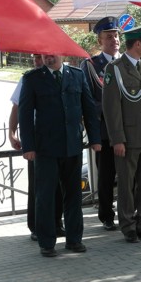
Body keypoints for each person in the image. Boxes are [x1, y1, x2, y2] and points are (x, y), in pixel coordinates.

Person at [18, 54, 101, 257]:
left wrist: (95, 138)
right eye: (44, 54)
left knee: (73, 195)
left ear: (61, 53)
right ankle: (47, 242)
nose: (47, 57)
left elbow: (89, 108)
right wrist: (28, 146)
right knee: (45, 196)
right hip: (45, 148)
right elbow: (25, 115)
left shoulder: (77, 75)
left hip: (71, 145)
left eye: (51, 52)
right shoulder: (32, 78)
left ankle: (74, 240)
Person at [102, 24, 141, 243]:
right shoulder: (115, 69)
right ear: (138, 43)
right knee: (127, 184)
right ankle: (128, 225)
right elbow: (111, 108)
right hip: (128, 139)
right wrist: (117, 139)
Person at [8, 54, 64, 241]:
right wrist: (12, 132)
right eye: (35, 57)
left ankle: (57, 222)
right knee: (39, 186)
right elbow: (17, 108)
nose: (37, 61)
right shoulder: (29, 78)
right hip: (37, 140)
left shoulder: (61, 75)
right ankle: (36, 226)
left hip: (58, 139)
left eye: (39, 57)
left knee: (59, 185)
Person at [80, 16, 121, 231]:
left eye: (116, 35)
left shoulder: (128, 61)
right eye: (109, 36)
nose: (114, 39)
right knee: (106, 174)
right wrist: (112, 110)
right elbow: (88, 100)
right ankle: (106, 215)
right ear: (100, 41)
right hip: (105, 130)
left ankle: (128, 211)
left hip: (130, 129)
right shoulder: (91, 65)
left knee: (129, 173)